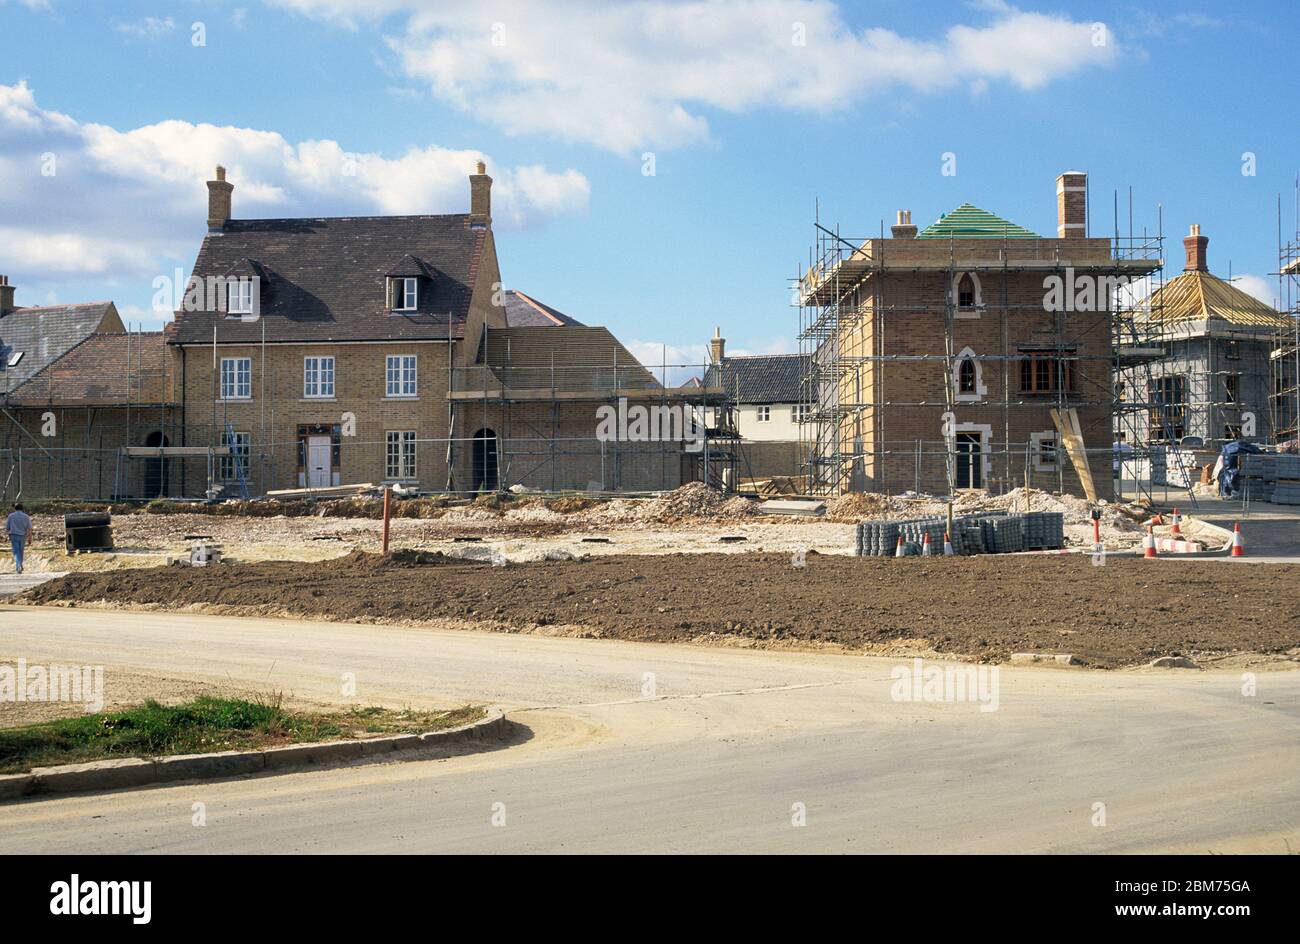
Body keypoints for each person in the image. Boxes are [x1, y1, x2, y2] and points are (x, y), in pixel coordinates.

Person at [6, 503, 33, 574]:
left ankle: (18, 566)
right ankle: (20, 565)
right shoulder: (26, 516)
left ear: (15, 508)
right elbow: (30, 528)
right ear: (22, 508)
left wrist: (8, 535)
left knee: (16, 551)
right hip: (23, 536)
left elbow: (7, 528)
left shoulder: (11, 516)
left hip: (14, 535)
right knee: (21, 551)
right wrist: (30, 538)